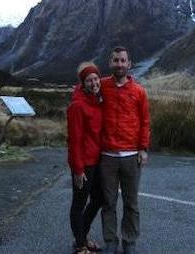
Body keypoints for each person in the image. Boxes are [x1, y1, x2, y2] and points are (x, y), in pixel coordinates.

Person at [100, 46, 150, 254]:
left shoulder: (139, 91)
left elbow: (145, 122)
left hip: (131, 156)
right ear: (110, 63)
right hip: (107, 156)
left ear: (129, 64)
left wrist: (143, 148)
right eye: (115, 60)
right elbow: (82, 92)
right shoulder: (101, 86)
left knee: (131, 204)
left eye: (123, 61)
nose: (119, 64)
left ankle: (129, 241)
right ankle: (111, 241)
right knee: (108, 202)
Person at [67, 62, 104, 254]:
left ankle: (83, 236)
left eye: (96, 79)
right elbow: (74, 140)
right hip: (84, 164)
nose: (94, 83)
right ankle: (80, 245)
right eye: (89, 80)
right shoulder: (77, 106)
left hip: (96, 161)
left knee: (98, 198)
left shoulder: (97, 100)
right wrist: (78, 169)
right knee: (79, 204)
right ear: (83, 83)